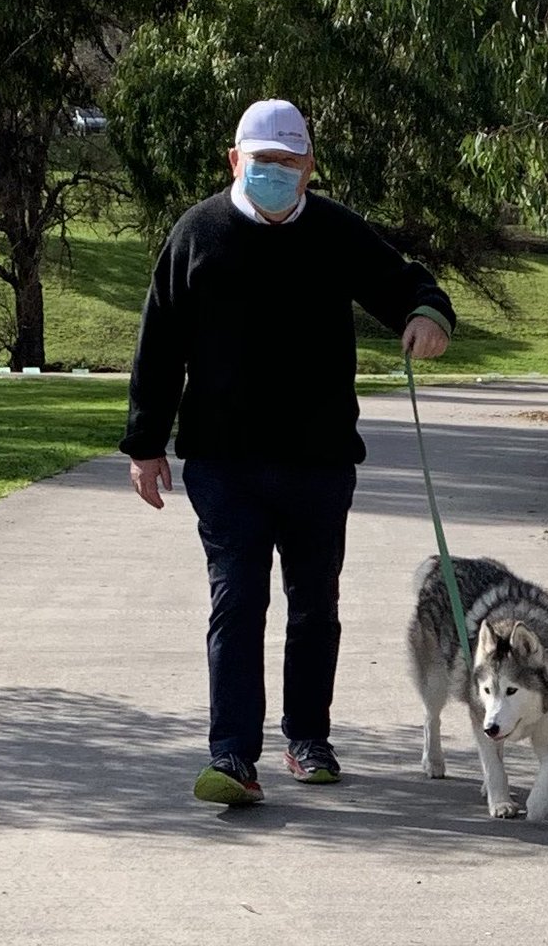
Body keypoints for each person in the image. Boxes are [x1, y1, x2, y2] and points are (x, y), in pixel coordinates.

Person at [120, 98, 454, 806]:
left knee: (314, 606)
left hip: (318, 459)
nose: (274, 172)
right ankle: (232, 757)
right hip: (224, 461)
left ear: (308, 168)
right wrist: (145, 445)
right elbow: (159, 343)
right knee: (237, 602)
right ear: (235, 161)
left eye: (288, 161)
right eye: (261, 160)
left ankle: (308, 740)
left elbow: (403, 283)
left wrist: (427, 315)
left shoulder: (335, 230)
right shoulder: (198, 233)